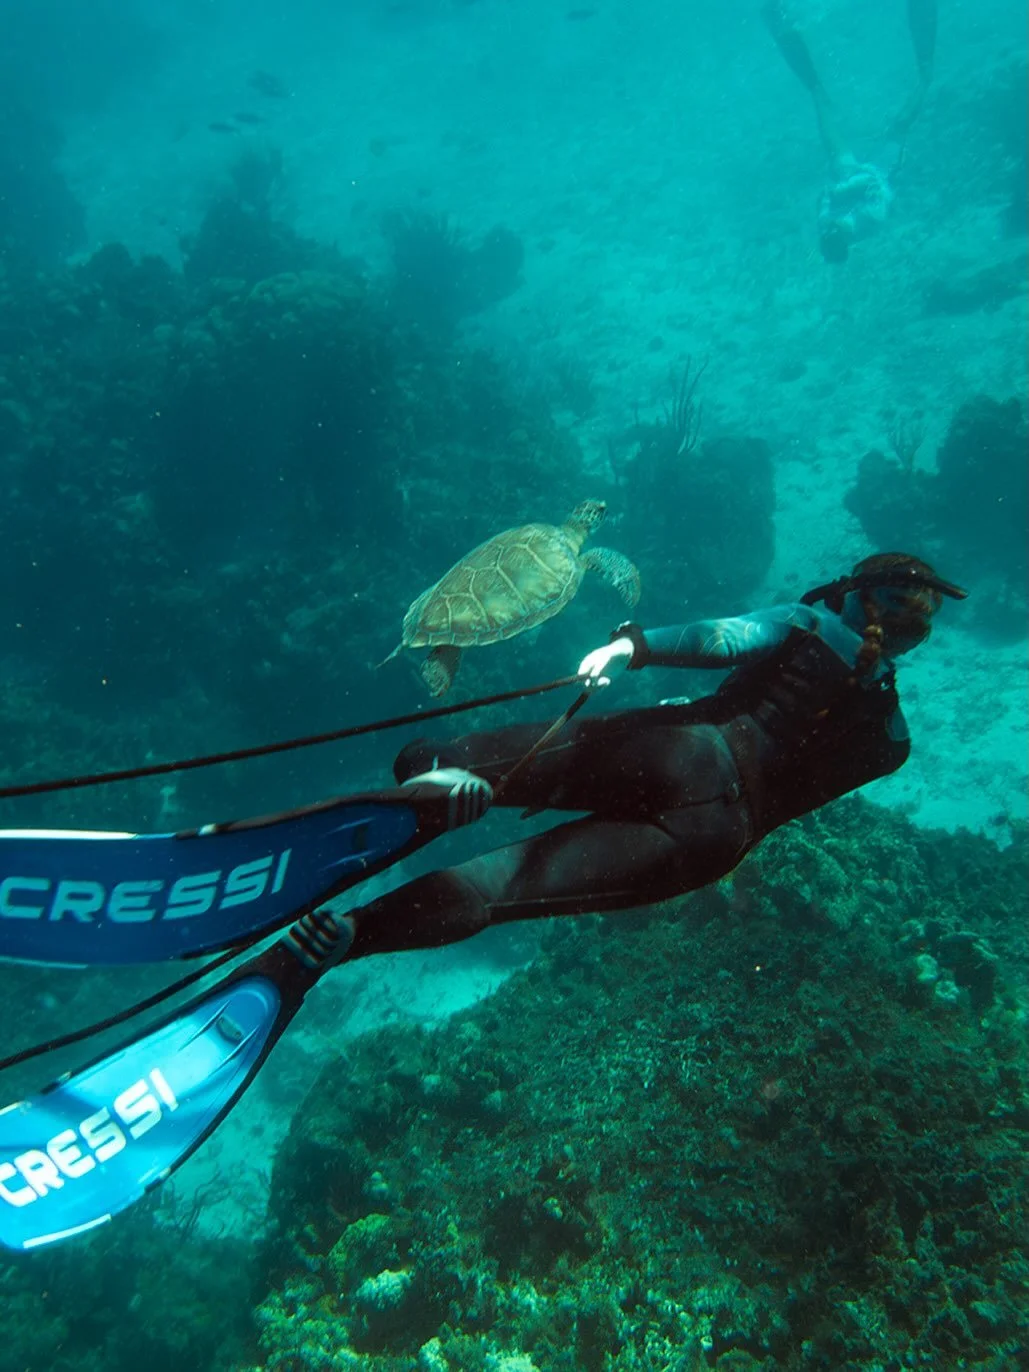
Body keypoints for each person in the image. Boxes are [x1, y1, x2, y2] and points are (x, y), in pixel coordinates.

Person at [343, 553, 966, 960]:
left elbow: (726, 639)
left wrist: (632, 648)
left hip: (685, 752)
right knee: (499, 888)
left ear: (851, 594)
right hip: (712, 841)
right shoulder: (894, 741)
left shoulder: (809, 622)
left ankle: (430, 778)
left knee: (462, 759)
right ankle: (354, 935)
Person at [761, 0, 938, 263]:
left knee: (823, 119)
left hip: (847, 175)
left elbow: (825, 198)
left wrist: (840, 185)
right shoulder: (871, 220)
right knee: (901, 124)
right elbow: (876, 186)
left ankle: (795, 50)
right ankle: (926, 73)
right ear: (844, 241)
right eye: (832, 234)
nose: (827, 229)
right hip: (880, 171)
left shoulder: (826, 226)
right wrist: (846, 185)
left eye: (825, 234)